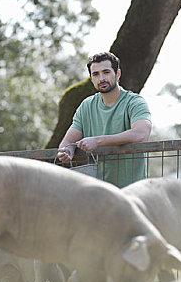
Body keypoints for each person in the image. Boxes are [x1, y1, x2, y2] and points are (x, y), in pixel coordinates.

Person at [57, 52, 152, 188]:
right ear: (91, 78)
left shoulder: (135, 102)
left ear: (117, 74)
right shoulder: (86, 106)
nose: (101, 78)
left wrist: (97, 141)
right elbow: (67, 141)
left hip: (131, 191)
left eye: (106, 72)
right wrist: (67, 151)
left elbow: (141, 134)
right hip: (98, 193)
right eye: (95, 74)